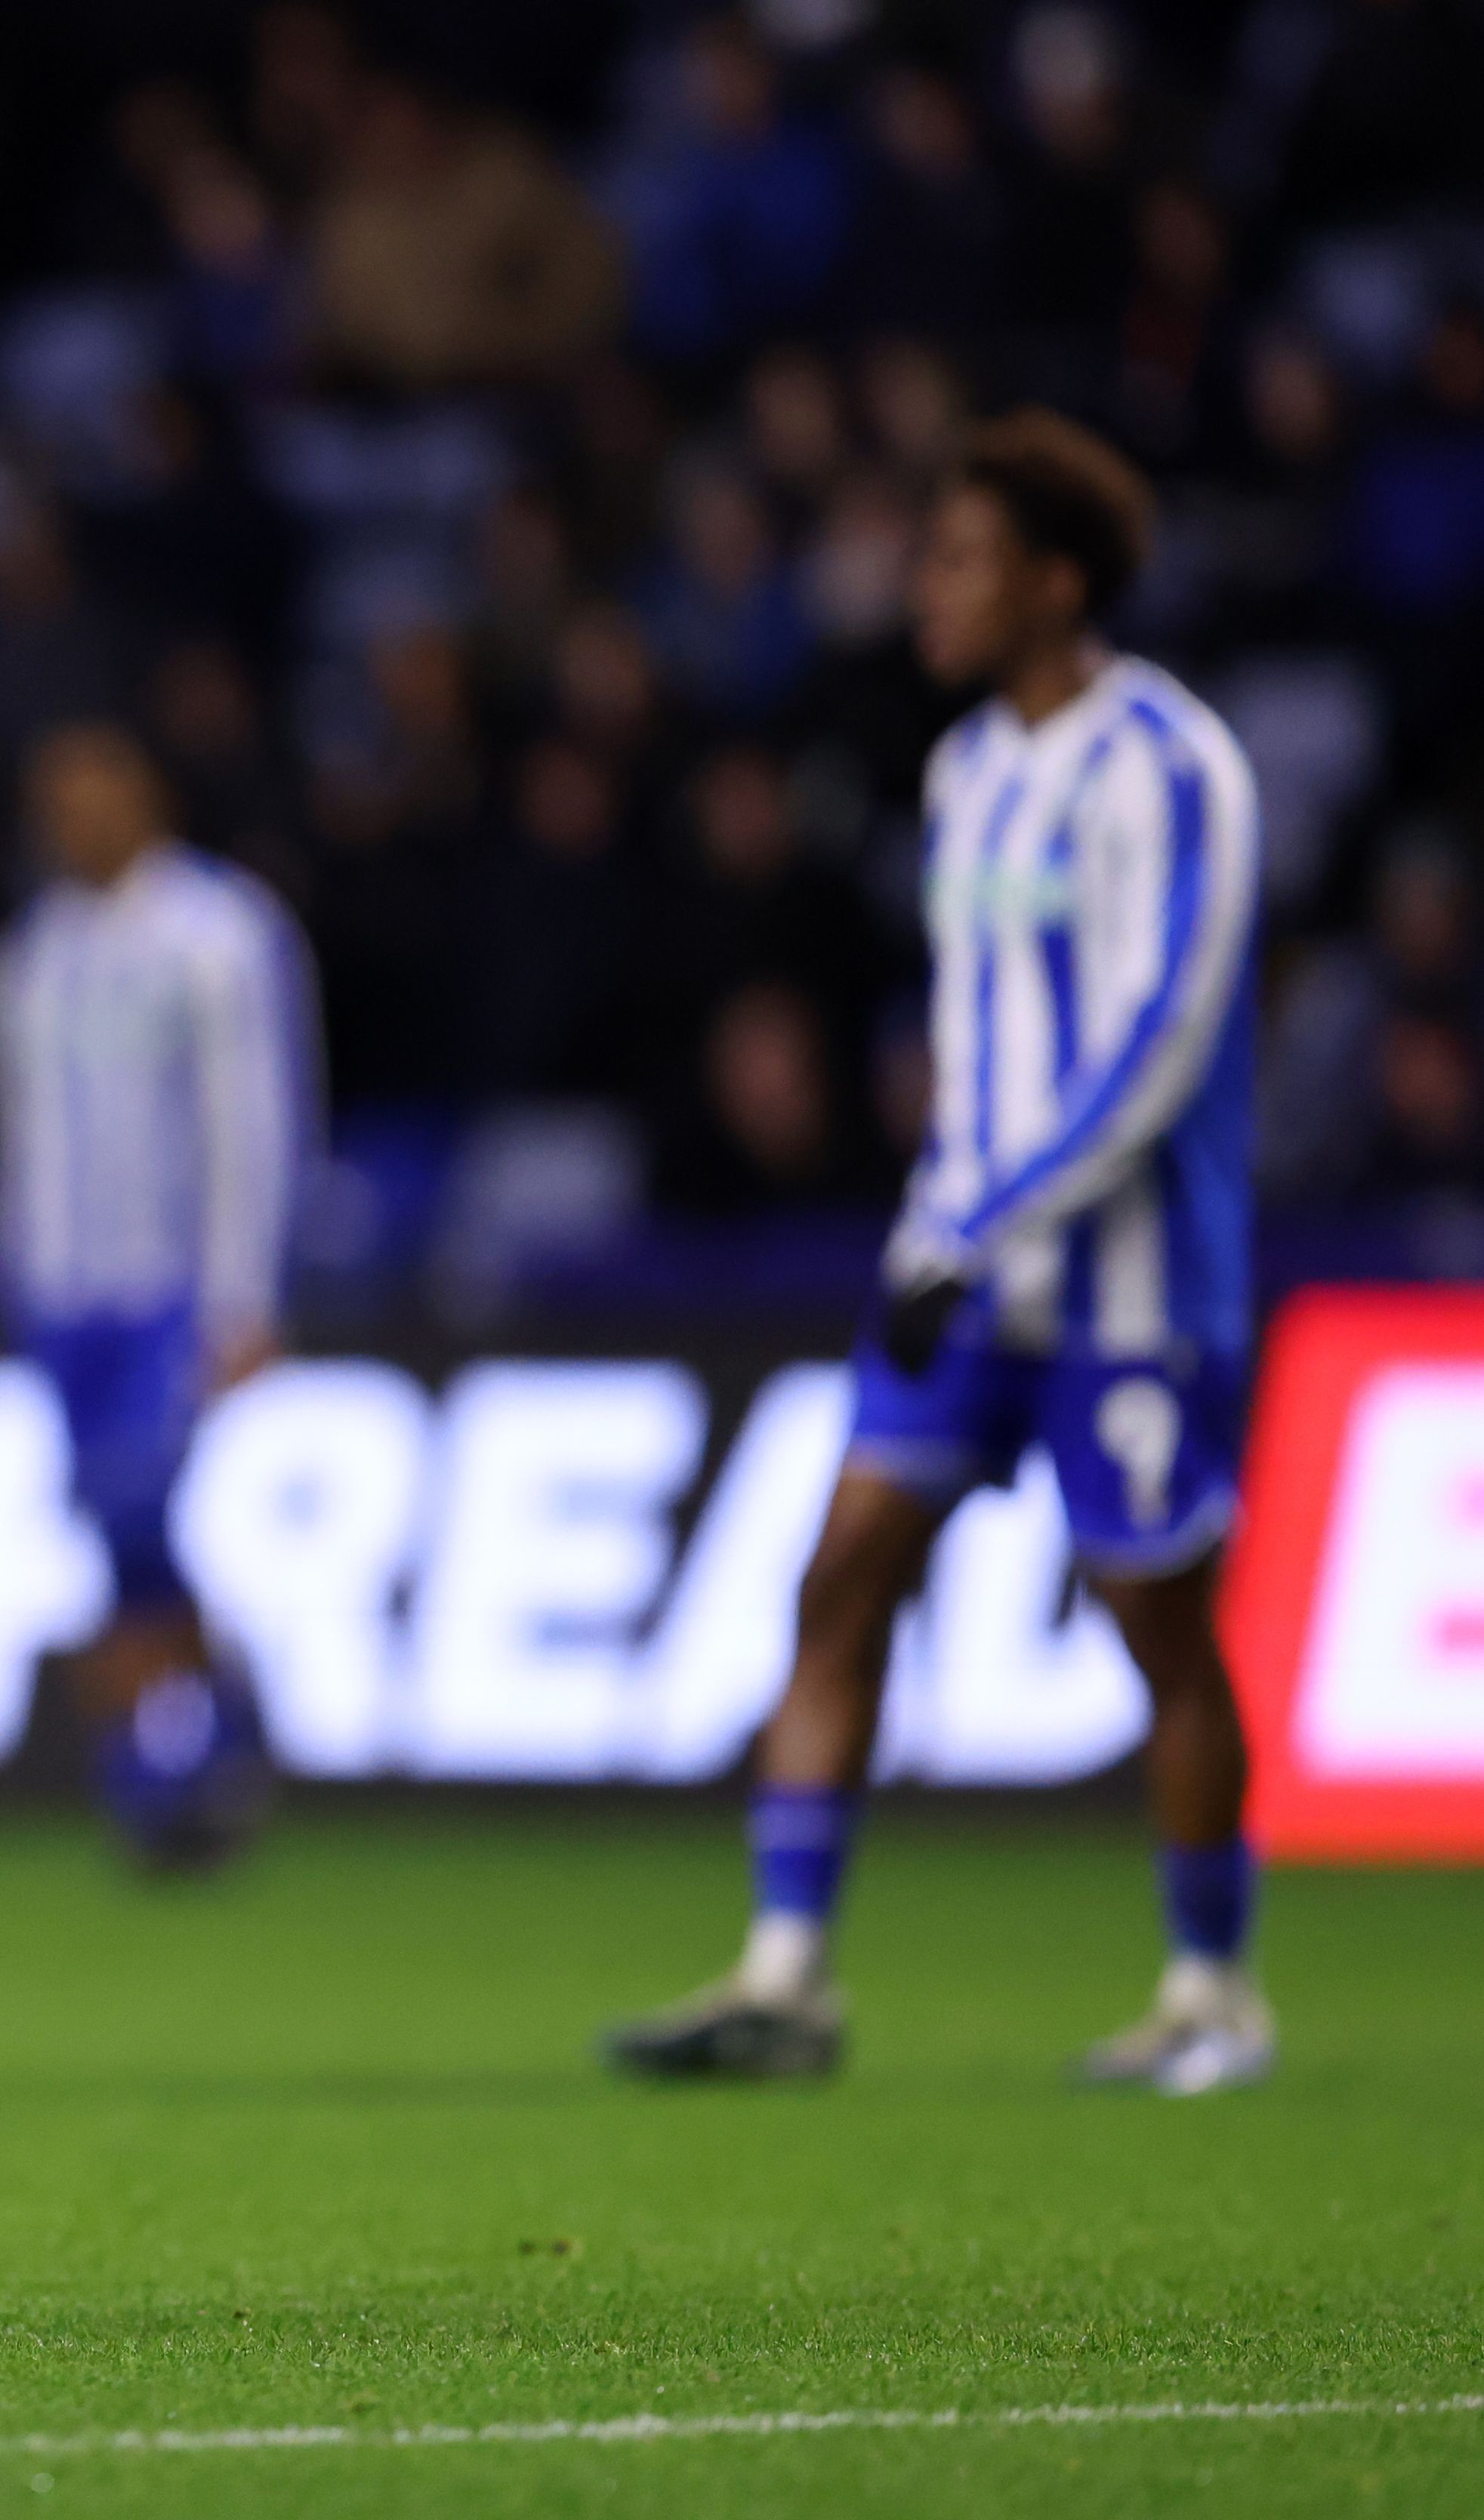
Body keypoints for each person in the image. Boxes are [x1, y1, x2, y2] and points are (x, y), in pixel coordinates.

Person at [604, 412, 1270, 2095]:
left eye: (964, 557)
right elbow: (978, 1051)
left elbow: (1159, 1039)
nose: (929, 588)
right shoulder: (968, 767)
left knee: (1159, 1632)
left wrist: (981, 1220)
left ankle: (1211, 1988)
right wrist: (936, 1217)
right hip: (957, 1275)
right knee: (837, 1582)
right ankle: (785, 1976)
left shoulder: (1169, 764)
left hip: (1123, 1291)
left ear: (1058, 579)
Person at [0, 723, 316, 1869]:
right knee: (117, 1538)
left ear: (144, 797)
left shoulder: (215, 934)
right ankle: (190, 1760)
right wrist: (19, 1271)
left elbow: (253, 1125)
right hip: (64, 1294)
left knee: (132, 1508)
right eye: (52, 802)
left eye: (87, 795)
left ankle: (172, 1765)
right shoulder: (33, 951)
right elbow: (22, 1138)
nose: (67, 822)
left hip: (166, 1286)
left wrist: (244, 1295)